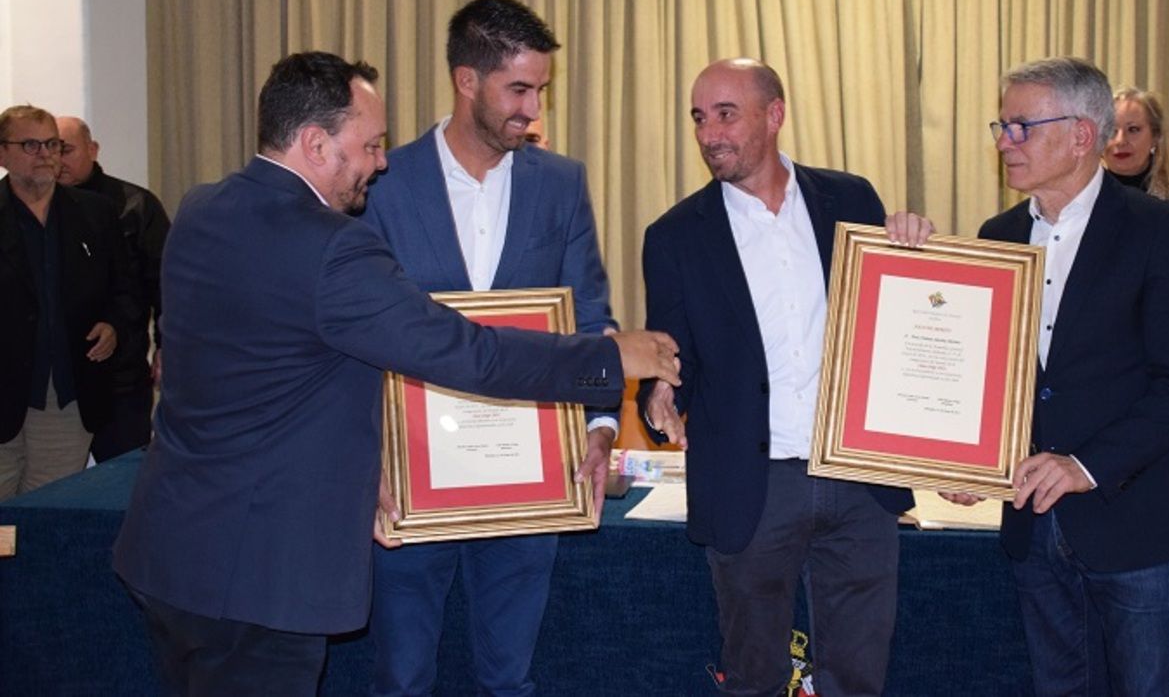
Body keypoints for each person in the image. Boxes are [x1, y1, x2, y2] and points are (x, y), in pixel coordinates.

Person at [111, 51, 680, 695]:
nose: (382, 163)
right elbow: (468, 354)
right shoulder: (332, 248)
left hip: (170, 551)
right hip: (261, 578)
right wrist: (609, 358)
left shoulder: (201, 207)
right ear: (315, 143)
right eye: (371, 145)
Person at [638, 58, 926, 697]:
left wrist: (917, 245)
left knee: (858, 678)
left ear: (775, 115)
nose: (710, 133)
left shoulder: (852, 199)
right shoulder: (675, 236)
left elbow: (903, 319)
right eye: (699, 118)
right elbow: (669, 354)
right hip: (751, 488)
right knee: (753, 678)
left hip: (858, 482)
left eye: (726, 114)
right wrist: (660, 394)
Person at [361, 0, 621, 696]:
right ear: (466, 80)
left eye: (540, 89)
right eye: (519, 89)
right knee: (403, 678)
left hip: (528, 469)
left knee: (510, 678)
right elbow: (350, 333)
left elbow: (587, 312)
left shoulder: (560, 183)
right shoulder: (381, 182)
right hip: (408, 477)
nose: (534, 109)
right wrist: (363, 456)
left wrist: (599, 426)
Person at [953, 57, 1169, 695]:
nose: (1003, 142)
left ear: (1079, 134)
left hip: (1135, 523)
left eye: (1021, 126)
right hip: (1032, 526)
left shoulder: (1160, 228)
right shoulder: (998, 236)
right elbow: (998, 381)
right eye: (1002, 125)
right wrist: (967, 460)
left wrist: (1083, 465)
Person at [0, 105, 132, 499]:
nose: (45, 154)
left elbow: (124, 289)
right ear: (2, 154)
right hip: (3, 384)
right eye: (31, 144)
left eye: (52, 144)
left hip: (67, 391)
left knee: (46, 512)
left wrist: (113, 325)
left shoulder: (96, 213)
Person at [55, 114, 171, 460]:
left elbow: (163, 283)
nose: (57, 160)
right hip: (60, 382)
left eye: (66, 150)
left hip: (123, 374)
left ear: (92, 149)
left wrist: (165, 346)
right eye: (50, 149)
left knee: (124, 479)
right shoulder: (38, 208)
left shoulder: (134, 204)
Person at [1105, 87, 1169, 248]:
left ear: (1156, 137)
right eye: (1111, 131)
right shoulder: (1078, 198)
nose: (1120, 140)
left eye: (1133, 130)